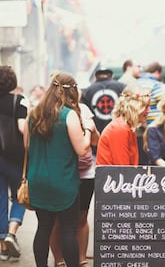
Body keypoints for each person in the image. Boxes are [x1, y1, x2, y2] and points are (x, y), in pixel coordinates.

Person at [25, 72, 96, 267]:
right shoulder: (69, 114)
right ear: (71, 91)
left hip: (38, 179)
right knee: (69, 229)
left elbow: (26, 146)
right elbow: (82, 149)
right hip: (63, 181)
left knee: (44, 227)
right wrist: (88, 129)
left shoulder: (34, 113)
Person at [50, 101, 100, 267]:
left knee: (82, 217)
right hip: (62, 173)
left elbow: (95, 141)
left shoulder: (84, 109)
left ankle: (82, 259)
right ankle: (59, 260)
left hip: (85, 173)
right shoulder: (54, 112)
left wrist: (91, 128)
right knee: (57, 220)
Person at [0, 65, 29, 261]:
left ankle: (2, 244)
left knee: (0, 198)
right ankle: (11, 232)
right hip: (14, 157)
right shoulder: (20, 101)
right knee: (20, 194)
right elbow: (22, 128)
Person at [96, 85, 150, 166]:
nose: (149, 111)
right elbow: (123, 169)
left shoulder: (126, 127)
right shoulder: (120, 129)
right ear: (135, 107)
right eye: (146, 107)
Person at [81, 67, 125, 136]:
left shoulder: (87, 91)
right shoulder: (122, 87)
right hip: (119, 130)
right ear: (111, 75)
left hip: (99, 132)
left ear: (96, 76)